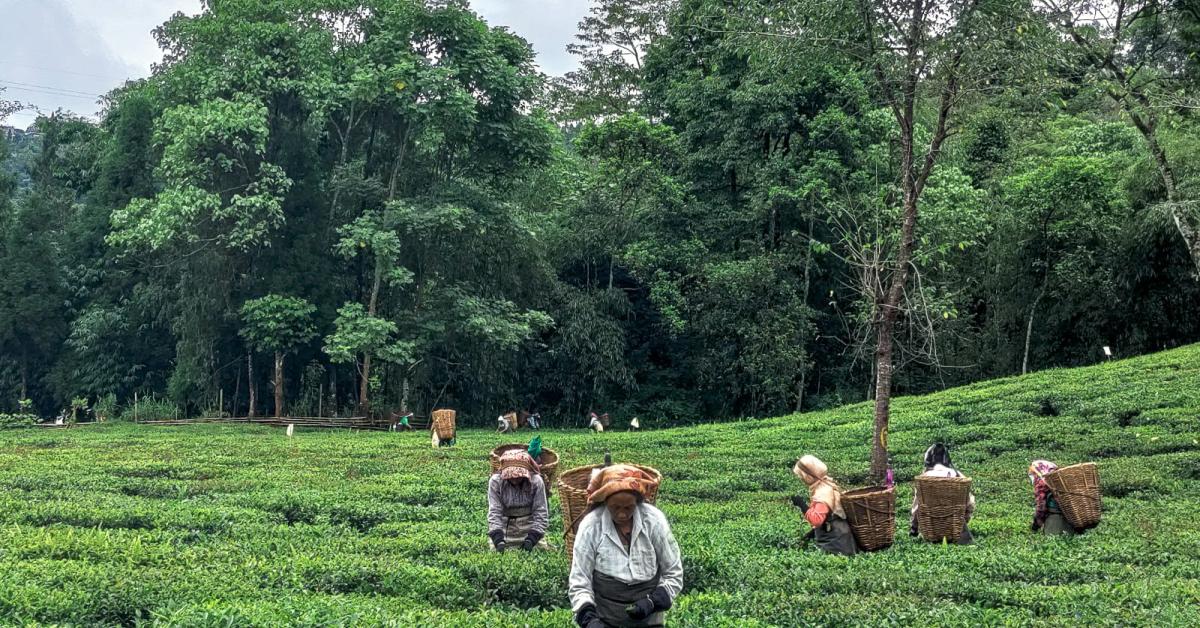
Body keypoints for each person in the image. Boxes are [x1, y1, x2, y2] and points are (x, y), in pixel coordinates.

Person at [569, 464, 683, 628]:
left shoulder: (653, 520)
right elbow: (580, 580)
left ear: (638, 502)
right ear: (605, 502)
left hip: (650, 618)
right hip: (605, 618)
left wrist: (653, 602)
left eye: (628, 507)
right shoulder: (591, 526)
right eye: (615, 507)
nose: (622, 514)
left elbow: (673, 572)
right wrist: (589, 619)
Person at [791, 455, 857, 556]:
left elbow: (817, 520)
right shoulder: (826, 484)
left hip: (836, 543)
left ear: (807, 476)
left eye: (801, 476)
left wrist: (801, 504)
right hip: (840, 537)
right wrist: (811, 533)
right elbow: (828, 515)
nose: (801, 479)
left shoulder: (822, 493)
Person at [909, 443, 975, 544]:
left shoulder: (924, 478)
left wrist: (914, 528)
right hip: (954, 527)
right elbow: (969, 503)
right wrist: (964, 518)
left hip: (930, 528)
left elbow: (917, 506)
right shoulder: (958, 475)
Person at [488, 450, 549, 552]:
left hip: (529, 525)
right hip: (505, 527)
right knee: (496, 551)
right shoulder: (496, 481)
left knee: (540, 550)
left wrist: (532, 538)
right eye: (511, 476)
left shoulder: (536, 481)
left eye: (518, 476)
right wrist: (498, 539)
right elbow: (495, 511)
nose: (515, 479)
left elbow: (540, 512)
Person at [1029, 460, 1079, 536]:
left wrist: (1035, 526)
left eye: (1033, 474)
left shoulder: (1041, 483)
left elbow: (1041, 508)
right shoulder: (1062, 478)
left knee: (1055, 541)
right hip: (1073, 518)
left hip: (1056, 520)